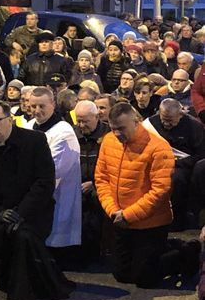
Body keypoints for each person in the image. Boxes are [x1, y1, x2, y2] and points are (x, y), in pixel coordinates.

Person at [0, 101, 74, 300]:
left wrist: (20, 213)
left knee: (23, 236)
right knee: (12, 234)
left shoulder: (35, 141)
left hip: (33, 213)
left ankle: (24, 289)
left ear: (10, 121)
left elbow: (44, 182)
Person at [95, 102, 198, 287]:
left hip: (151, 222)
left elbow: (160, 190)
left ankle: (185, 250)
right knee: (122, 275)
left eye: (121, 128)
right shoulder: (109, 141)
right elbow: (102, 179)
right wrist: (113, 211)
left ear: (137, 121)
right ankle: (165, 247)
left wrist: (128, 215)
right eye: (113, 129)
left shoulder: (158, 147)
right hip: (120, 218)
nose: (117, 134)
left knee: (145, 279)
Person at [27, 87, 82, 251]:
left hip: (57, 196)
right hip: (34, 195)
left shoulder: (64, 131)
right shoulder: (29, 126)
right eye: (33, 106)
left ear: (52, 104)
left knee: (54, 248)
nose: (37, 111)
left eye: (41, 106)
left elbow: (53, 169)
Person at [143, 98, 205, 231]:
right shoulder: (150, 125)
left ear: (180, 115)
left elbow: (200, 155)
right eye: (163, 119)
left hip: (183, 167)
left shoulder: (195, 127)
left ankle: (176, 221)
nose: (165, 124)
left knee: (175, 179)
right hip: (155, 163)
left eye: (170, 121)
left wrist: (175, 162)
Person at [74, 100, 109, 260]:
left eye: (85, 121)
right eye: (78, 121)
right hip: (77, 184)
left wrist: (94, 183)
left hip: (102, 184)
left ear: (97, 117)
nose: (81, 125)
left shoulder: (109, 135)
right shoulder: (72, 134)